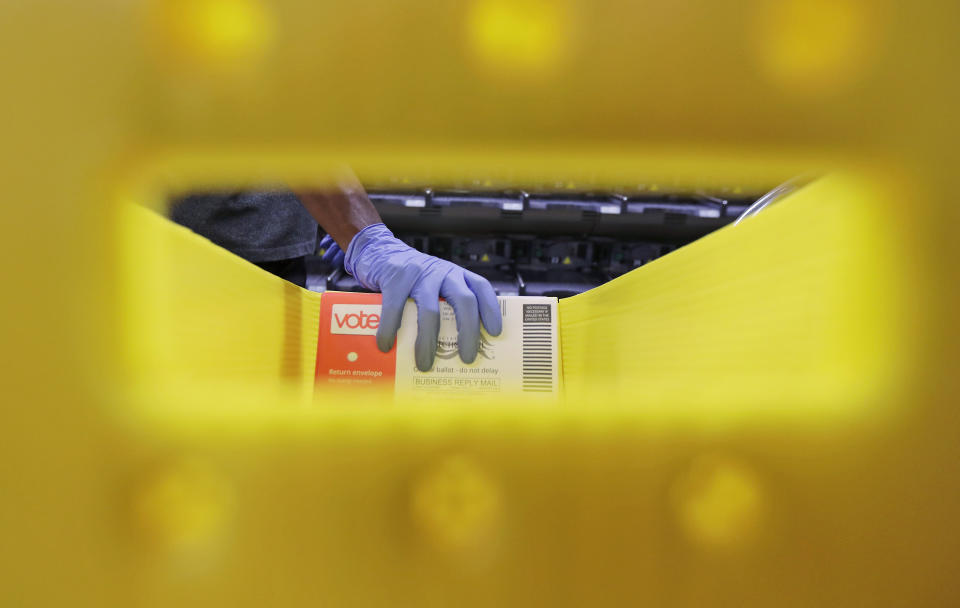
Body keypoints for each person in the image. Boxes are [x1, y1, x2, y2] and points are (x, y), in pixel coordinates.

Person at [171, 172, 502, 373]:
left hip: (275, 247)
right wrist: (363, 233)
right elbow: (288, 112)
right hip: (190, 253)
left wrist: (329, 221)